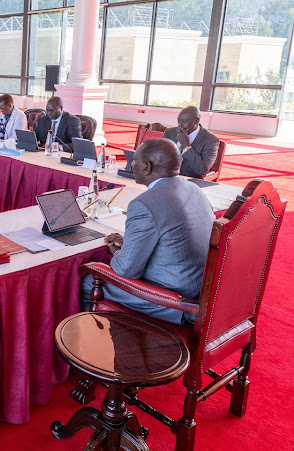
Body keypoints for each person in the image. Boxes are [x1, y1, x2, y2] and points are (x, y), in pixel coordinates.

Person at [80, 138, 215, 325]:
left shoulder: (143, 204)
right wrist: (130, 242)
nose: (130, 164)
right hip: (202, 290)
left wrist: (119, 251)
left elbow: (126, 270)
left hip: (175, 301)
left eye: (133, 160)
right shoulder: (194, 189)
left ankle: (100, 346)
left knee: (89, 282)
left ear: (146, 167)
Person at [162, 105, 220, 178]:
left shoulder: (210, 140)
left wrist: (186, 145)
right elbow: (160, 155)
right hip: (165, 177)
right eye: (178, 120)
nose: (180, 124)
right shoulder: (170, 132)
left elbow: (202, 170)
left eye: (184, 121)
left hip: (189, 180)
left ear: (197, 121)